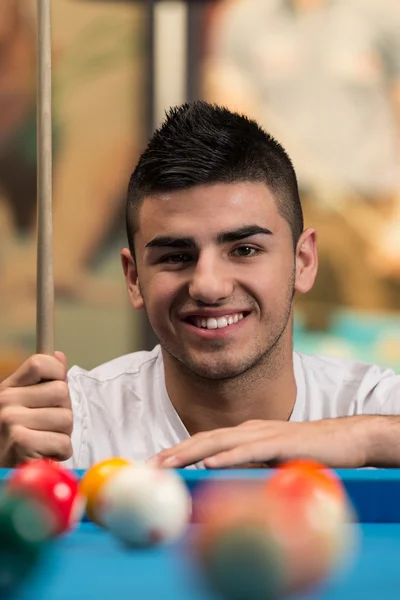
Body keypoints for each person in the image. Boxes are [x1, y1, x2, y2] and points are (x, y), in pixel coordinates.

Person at [0, 101, 399, 470]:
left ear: (304, 261)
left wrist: (363, 438)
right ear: (134, 278)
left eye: (244, 249)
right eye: (175, 256)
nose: (208, 286)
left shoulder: (366, 404)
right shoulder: (66, 424)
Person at [203, 0, 400, 327]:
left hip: (369, 217)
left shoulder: (384, 11)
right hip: (278, 214)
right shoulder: (243, 16)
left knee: (373, 351)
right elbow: (225, 110)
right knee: (279, 347)